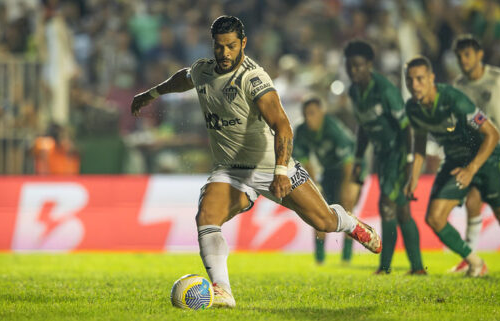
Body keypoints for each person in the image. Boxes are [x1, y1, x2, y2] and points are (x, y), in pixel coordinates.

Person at [130, 16, 382, 308]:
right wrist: (151, 94)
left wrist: (280, 170)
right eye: (219, 46)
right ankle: (223, 290)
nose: (225, 53)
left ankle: (349, 222)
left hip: (271, 166)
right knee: (206, 217)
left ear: (243, 44)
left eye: (231, 46)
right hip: (230, 171)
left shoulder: (253, 78)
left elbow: (283, 125)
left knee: (323, 221)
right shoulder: (203, 70)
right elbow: (185, 77)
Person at [403, 56, 500, 277]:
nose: (414, 85)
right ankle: (476, 263)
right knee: (434, 218)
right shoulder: (413, 108)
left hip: (487, 160)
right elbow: (419, 145)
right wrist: (413, 179)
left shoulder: (454, 100)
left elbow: (492, 134)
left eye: (419, 79)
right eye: (409, 80)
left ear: (431, 78)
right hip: (456, 162)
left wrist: (472, 168)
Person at [344, 40, 425, 275]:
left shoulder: (385, 89)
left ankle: (385, 268)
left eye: (358, 66)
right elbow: (363, 128)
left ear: (369, 65)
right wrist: (359, 159)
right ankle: (418, 268)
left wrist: (409, 162)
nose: (353, 71)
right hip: (380, 154)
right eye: (350, 66)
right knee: (402, 211)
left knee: (386, 206)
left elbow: (406, 128)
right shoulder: (353, 91)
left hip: (397, 154)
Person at [450, 34, 500, 273]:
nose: (463, 60)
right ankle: (470, 259)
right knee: (472, 201)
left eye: (467, 54)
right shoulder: (459, 87)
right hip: (482, 157)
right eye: (459, 56)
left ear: (480, 55)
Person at [293, 97, 363, 265]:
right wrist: (315, 185)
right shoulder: (302, 131)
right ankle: (319, 260)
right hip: (330, 169)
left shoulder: (333, 128)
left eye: (312, 113)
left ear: (322, 113)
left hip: (353, 166)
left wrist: (347, 188)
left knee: (347, 205)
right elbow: (306, 161)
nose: (309, 118)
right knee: (318, 207)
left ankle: (346, 258)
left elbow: (349, 162)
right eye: (306, 114)